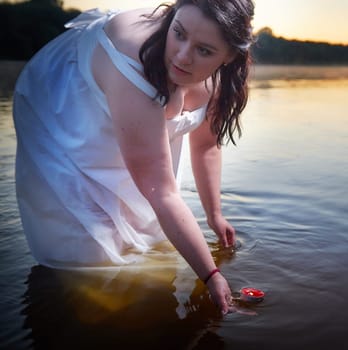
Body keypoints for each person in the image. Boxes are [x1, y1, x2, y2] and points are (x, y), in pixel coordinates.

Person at [12, 0, 255, 315]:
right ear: (172, 17)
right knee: (88, 248)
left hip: (135, 100)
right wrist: (211, 276)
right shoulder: (133, 61)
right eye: (178, 33)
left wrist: (215, 215)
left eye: (204, 50)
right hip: (67, 100)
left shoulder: (221, 78)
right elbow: (161, 189)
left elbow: (206, 145)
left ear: (230, 56)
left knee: (147, 224)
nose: (182, 56)